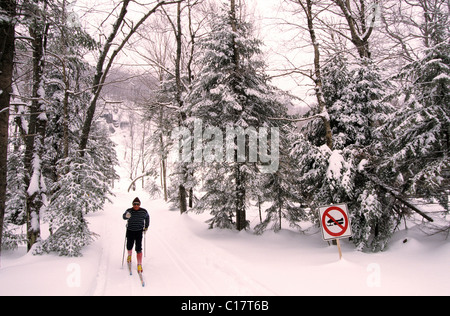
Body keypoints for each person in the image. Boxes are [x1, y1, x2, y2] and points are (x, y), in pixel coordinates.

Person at [123, 197, 149, 273]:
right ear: (132, 204)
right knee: (129, 246)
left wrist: (146, 226)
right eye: (134, 204)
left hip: (139, 231)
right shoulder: (129, 210)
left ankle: (139, 264)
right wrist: (126, 216)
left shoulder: (144, 211)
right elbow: (124, 216)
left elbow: (147, 217)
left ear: (140, 204)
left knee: (138, 248)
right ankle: (129, 256)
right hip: (130, 230)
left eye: (137, 204)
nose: (136, 205)